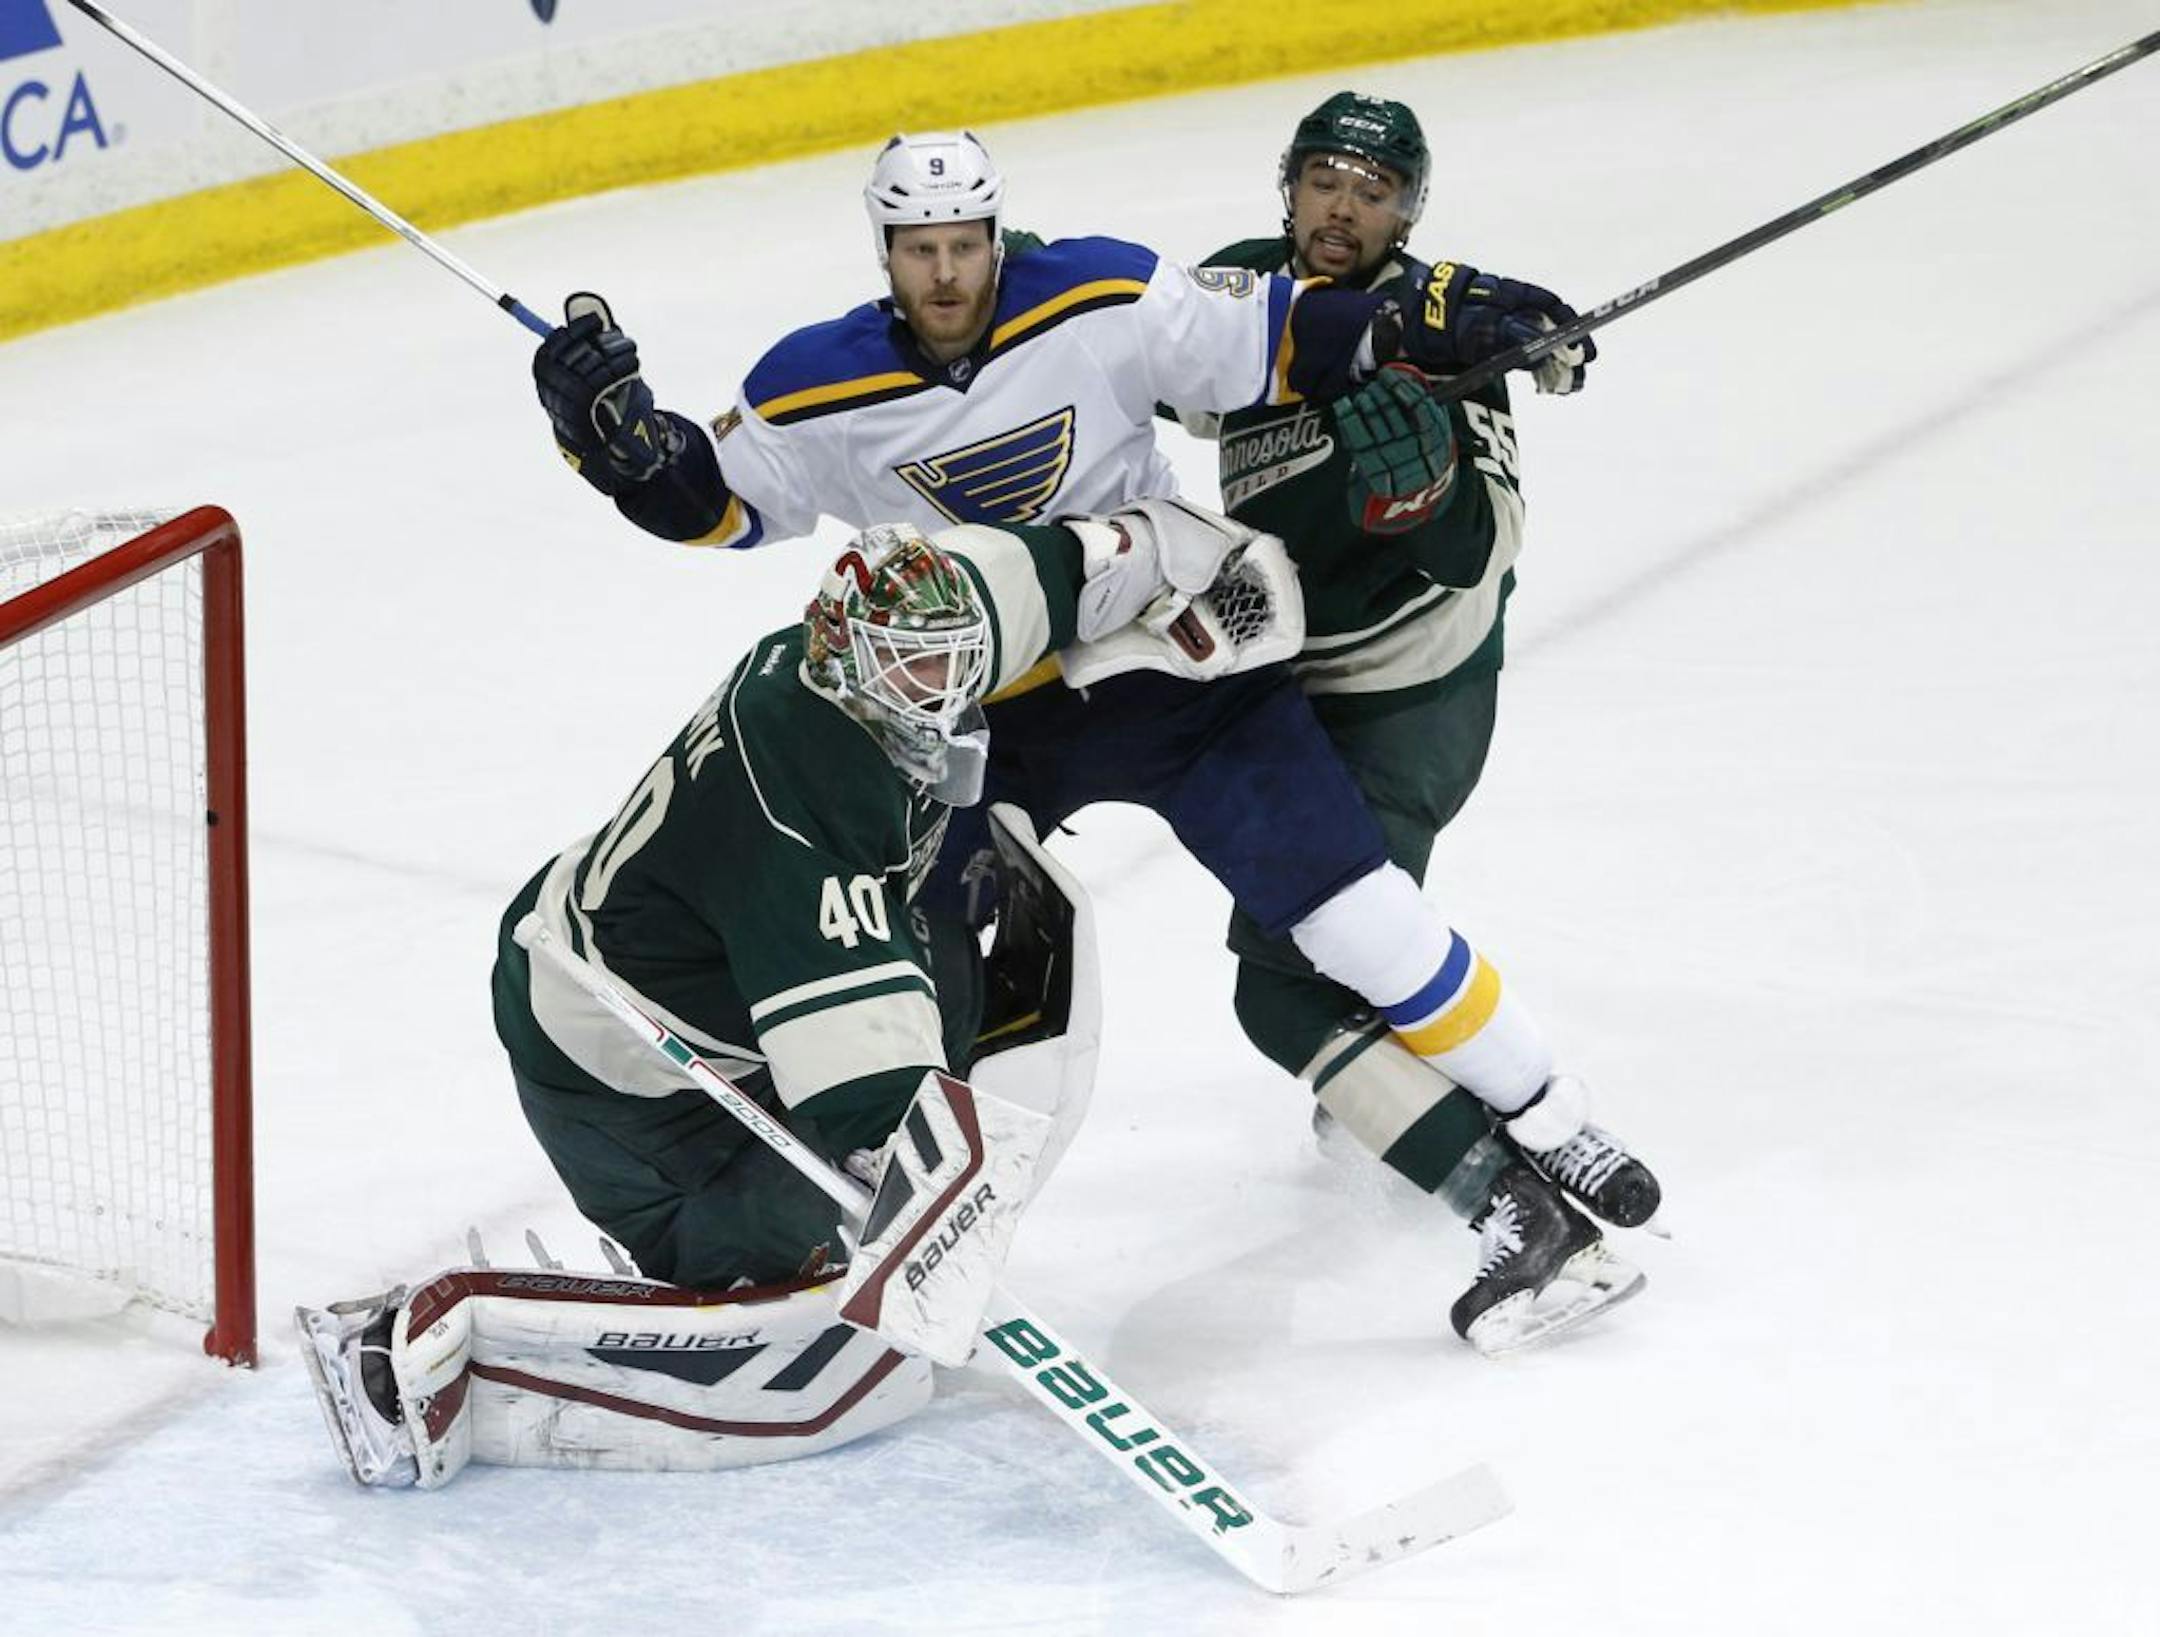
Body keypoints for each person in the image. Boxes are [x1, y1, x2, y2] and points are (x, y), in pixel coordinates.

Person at [524, 129, 1650, 1355]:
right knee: (923, 968)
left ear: (996, 237)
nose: (946, 275)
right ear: (886, 253)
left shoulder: (1102, 295)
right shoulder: (818, 382)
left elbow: (1293, 335)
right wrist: (618, 447)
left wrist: (1444, 316)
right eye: (920, 251)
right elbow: (715, 500)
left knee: (1346, 913)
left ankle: (1550, 1127)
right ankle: (863, 1218)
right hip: (987, 724)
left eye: (964, 246)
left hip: (1175, 659)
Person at [297, 502, 1256, 1487]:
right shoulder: (807, 785)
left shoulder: (901, 628)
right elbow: (866, 1097)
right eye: (914, 668)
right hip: (610, 1059)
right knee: (811, 1238)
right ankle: (410, 1344)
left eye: (954, 662)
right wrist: (922, 1221)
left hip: (665, 945)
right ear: (842, 652)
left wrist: (1175, 555)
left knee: (956, 979)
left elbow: (1044, 570)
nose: (945, 688)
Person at [1178, 91, 1659, 1341]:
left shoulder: (1457, 345)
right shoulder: (1247, 289)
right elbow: (1147, 361)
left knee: (1286, 989)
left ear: (1409, 211)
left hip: (1409, 700)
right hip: (1283, 677)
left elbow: (1478, 551)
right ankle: (1453, 1095)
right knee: (1340, 964)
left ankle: (1532, 1206)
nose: (1345, 208)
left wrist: (1423, 499)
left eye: (1376, 191)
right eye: (1326, 180)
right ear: (1286, 185)